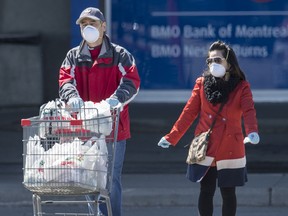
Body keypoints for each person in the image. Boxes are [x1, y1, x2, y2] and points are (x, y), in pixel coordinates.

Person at [157, 40, 260, 216]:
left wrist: (252, 131)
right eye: (210, 61)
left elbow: (248, 109)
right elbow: (189, 112)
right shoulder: (202, 83)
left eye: (218, 60)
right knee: (206, 191)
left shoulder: (241, 86)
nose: (213, 64)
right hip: (206, 146)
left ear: (229, 62)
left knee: (228, 193)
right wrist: (172, 136)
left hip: (231, 146)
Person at [58, 7, 140, 216]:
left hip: (113, 129)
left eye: (92, 24)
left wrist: (116, 100)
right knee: (89, 177)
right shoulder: (73, 56)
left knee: (110, 180)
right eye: (84, 25)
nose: (88, 28)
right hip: (85, 127)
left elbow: (131, 81)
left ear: (103, 27)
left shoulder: (120, 55)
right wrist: (72, 98)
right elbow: (66, 80)